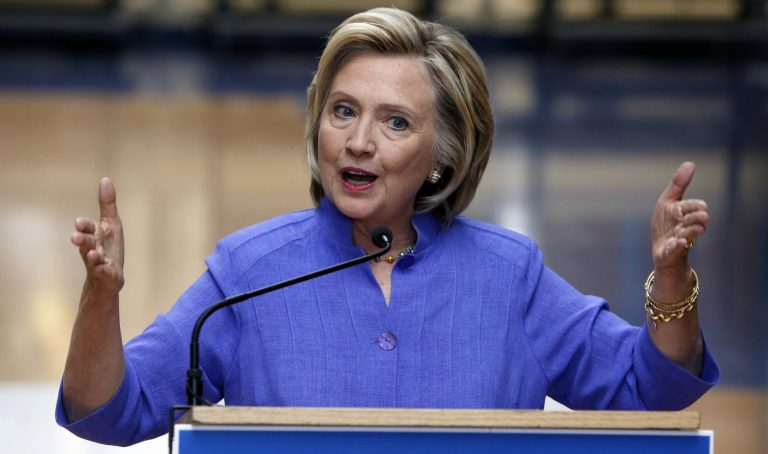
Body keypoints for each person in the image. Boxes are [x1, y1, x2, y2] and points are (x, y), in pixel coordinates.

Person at [56, 7, 718, 446]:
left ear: (445, 156)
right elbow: (110, 411)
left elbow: (648, 392)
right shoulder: (249, 271)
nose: (358, 142)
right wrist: (99, 299)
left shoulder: (509, 276)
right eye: (342, 111)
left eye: (396, 122)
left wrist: (670, 283)